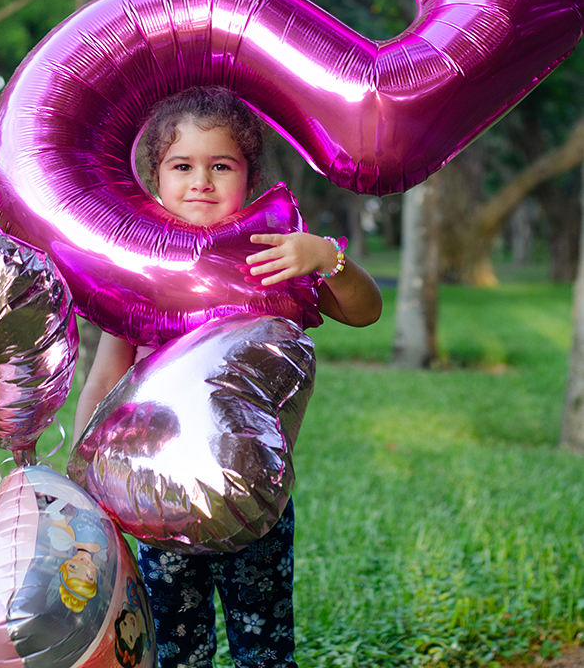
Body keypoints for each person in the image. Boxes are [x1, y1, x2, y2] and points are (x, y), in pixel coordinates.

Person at [72, 86, 382, 668]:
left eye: (222, 166)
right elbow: (105, 376)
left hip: (253, 499)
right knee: (174, 649)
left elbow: (364, 312)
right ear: (156, 178)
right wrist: (83, 475)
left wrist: (327, 259)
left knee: (264, 646)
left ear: (248, 174)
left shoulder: (271, 253)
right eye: (182, 166)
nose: (201, 182)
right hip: (156, 500)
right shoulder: (143, 271)